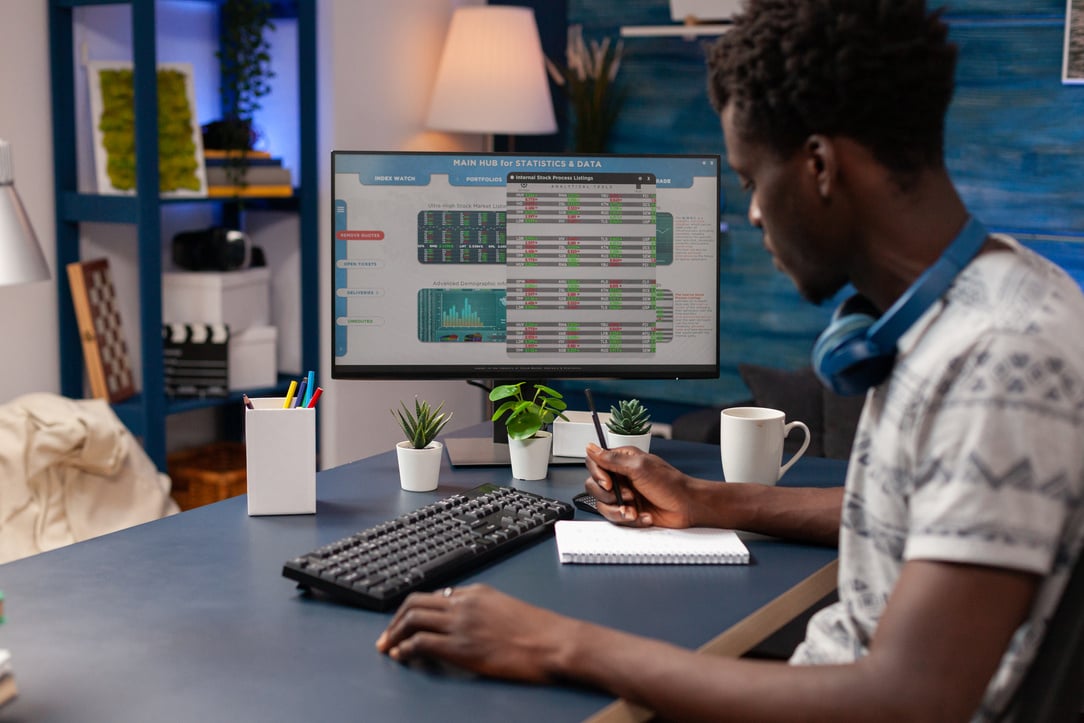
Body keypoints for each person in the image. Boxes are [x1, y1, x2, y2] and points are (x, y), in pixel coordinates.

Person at [377, 1, 1084, 720]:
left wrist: (560, 641)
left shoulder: (998, 359)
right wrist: (709, 500)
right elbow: (921, 510)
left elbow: (908, 698)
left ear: (819, 165)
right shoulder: (981, 306)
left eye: (750, 181)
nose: (752, 214)